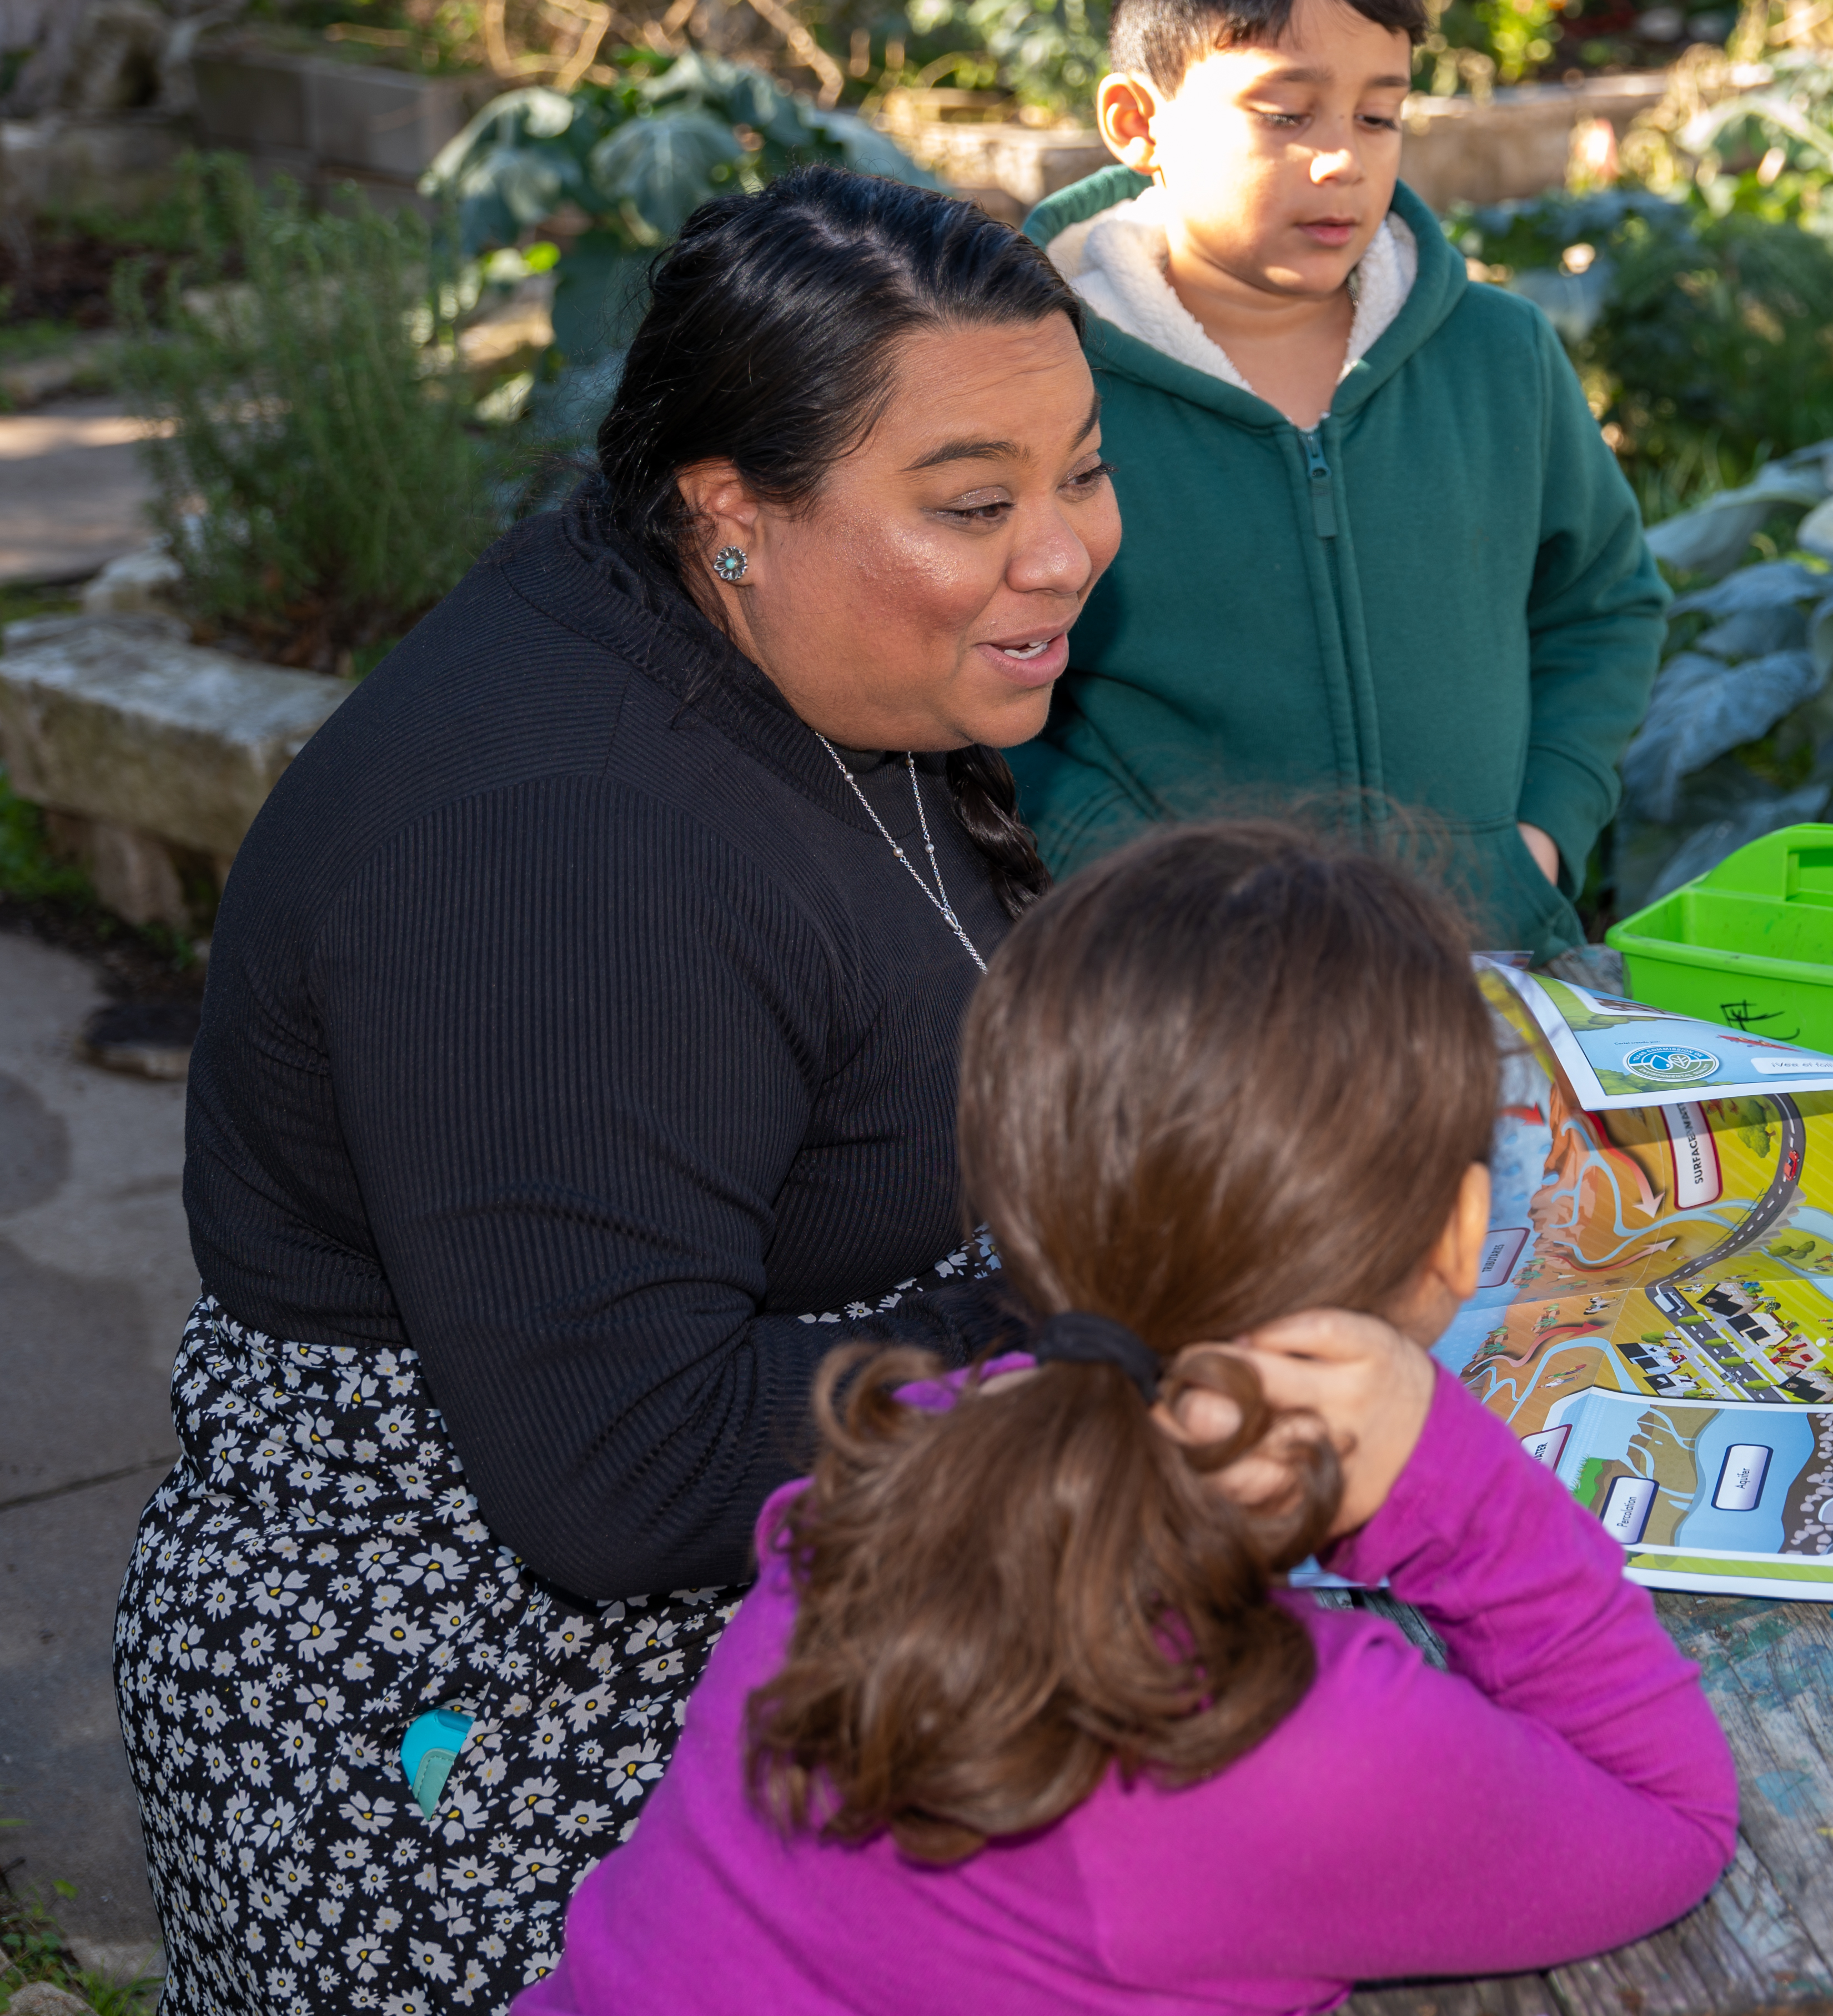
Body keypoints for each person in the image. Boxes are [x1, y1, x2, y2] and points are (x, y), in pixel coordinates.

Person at [115, 167, 1121, 2014]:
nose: (1064, 551)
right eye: (976, 502)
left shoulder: (830, 651)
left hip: (746, 1584)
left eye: (1081, 472)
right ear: (731, 513)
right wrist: (1089, 1312)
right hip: (469, 1729)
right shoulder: (563, 845)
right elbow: (621, 1473)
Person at [515, 823, 1740, 2012]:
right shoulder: (1286, 1749)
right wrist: (1447, 1478)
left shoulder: (878, 1482)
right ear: (1461, 1236)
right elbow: (1673, 1815)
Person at [1015, 0, 1667, 959]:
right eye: (1286, 112)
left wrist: (1536, 845)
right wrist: (1118, 873)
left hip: (1483, 972)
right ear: (1139, 122)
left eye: (1380, 114)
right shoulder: (1042, 378)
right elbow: (979, 669)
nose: (1342, 159)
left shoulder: (1499, 357)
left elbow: (1603, 607)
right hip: (1171, 988)